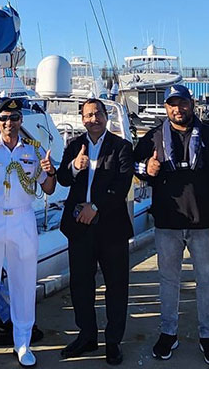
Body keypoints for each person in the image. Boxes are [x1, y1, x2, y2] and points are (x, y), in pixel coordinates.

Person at [132, 84, 209, 364]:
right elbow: (134, 166)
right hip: (167, 223)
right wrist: (146, 170)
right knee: (168, 280)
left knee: (207, 281)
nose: (178, 109)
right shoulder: (152, 138)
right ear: (166, 108)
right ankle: (168, 332)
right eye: (172, 104)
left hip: (204, 224)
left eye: (183, 103)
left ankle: (208, 335)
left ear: (192, 104)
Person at [0, 99, 55, 369]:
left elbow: (49, 188)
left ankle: (23, 342)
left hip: (22, 218)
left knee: (24, 281)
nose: (9, 123)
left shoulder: (33, 151)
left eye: (15, 117)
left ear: (21, 120)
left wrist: (50, 171)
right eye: (4, 117)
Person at [55, 98, 135, 364]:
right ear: (82, 119)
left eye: (97, 114)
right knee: (81, 285)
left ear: (105, 116)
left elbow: (123, 184)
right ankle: (87, 335)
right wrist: (75, 167)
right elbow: (63, 179)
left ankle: (113, 341)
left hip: (111, 226)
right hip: (79, 228)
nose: (94, 119)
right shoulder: (73, 145)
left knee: (116, 287)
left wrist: (96, 207)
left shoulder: (121, 146)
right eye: (88, 115)